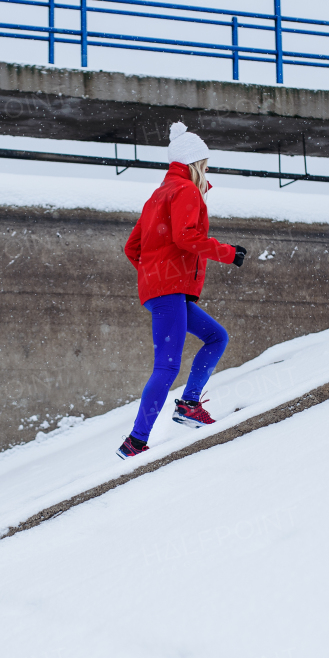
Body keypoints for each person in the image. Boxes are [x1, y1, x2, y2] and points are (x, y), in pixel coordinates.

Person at [117, 122, 247, 459]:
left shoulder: (158, 195)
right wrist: (229, 253)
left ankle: (189, 403)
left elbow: (133, 248)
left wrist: (154, 275)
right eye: (205, 165)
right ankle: (135, 441)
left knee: (217, 337)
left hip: (164, 292)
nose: (207, 172)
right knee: (166, 367)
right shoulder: (185, 191)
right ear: (195, 164)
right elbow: (186, 237)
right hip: (169, 291)